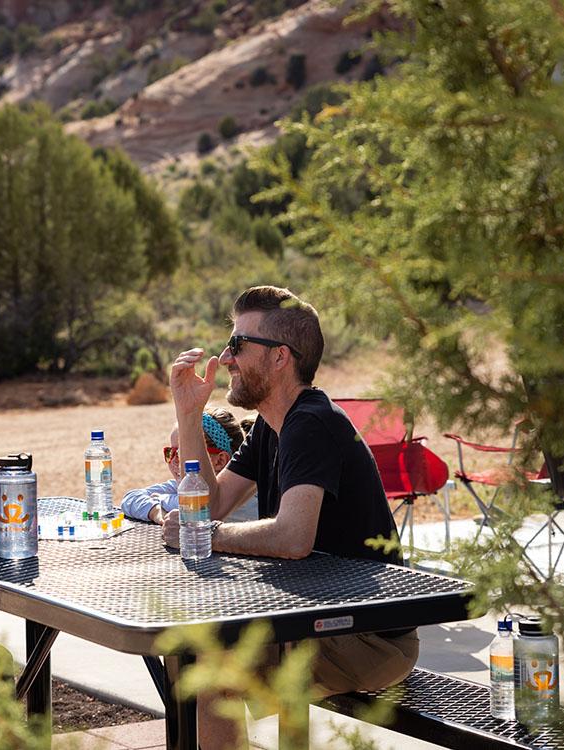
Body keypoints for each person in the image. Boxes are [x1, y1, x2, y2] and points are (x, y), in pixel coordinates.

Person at [164, 285, 417, 749]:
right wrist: (188, 411)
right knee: (191, 655)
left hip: (368, 637)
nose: (226, 357)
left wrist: (205, 534)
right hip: (316, 616)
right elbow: (213, 501)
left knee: (211, 668)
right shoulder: (271, 425)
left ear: (281, 357)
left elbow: (292, 537)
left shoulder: (310, 422)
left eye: (239, 344)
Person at [120, 407, 248, 524]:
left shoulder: (237, 495)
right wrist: (156, 511)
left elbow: (198, 507)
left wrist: (160, 498)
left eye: (183, 453)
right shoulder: (184, 484)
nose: (174, 461)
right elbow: (130, 498)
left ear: (219, 461)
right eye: (170, 452)